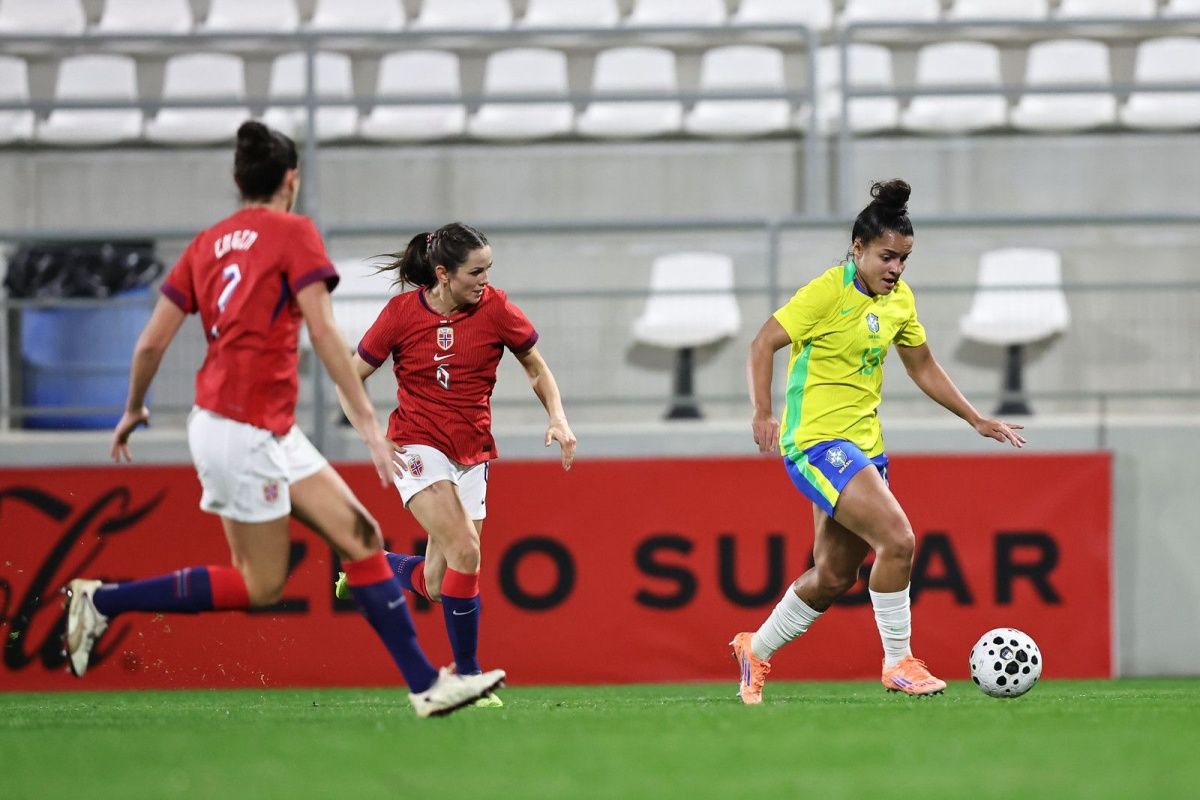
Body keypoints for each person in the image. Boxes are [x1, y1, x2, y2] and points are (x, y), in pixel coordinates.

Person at [64, 121, 503, 718]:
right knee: (260, 584)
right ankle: (102, 601)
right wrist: (370, 428)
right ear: (291, 180)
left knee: (361, 539)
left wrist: (135, 406)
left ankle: (427, 686)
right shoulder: (293, 233)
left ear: (237, 178)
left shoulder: (206, 243)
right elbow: (323, 333)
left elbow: (150, 343)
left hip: (255, 424)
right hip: (240, 426)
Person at [730, 179, 1026, 702]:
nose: (896, 269)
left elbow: (923, 366)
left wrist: (975, 418)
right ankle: (898, 662)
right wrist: (763, 412)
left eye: (904, 259)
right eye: (887, 257)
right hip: (817, 442)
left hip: (865, 446)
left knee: (833, 576)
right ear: (858, 249)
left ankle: (755, 648)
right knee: (899, 540)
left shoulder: (900, 300)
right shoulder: (827, 292)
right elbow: (762, 343)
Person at [331, 221, 576, 708]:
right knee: (466, 550)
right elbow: (349, 378)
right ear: (443, 274)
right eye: (475, 272)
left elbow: (535, 367)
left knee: (438, 583)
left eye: (488, 270)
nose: (485, 281)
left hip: (473, 452)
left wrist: (558, 417)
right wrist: (372, 436)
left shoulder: (496, 308)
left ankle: (371, 566)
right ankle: (468, 677)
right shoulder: (401, 314)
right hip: (417, 447)